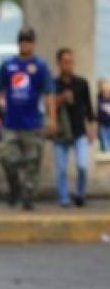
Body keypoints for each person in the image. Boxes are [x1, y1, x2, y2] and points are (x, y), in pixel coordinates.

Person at [0, 27, 56, 211]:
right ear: (18, 43)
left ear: (33, 44)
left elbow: (49, 95)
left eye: (29, 41)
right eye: (23, 41)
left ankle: (28, 195)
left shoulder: (40, 67)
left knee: (33, 162)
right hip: (11, 123)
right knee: (7, 159)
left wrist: (52, 118)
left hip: (33, 123)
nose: (26, 44)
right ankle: (14, 187)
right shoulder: (8, 65)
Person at [51, 48, 96, 208]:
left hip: (79, 132)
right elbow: (47, 106)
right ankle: (63, 197)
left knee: (82, 165)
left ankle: (80, 194)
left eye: (71, 61)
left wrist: (91, 128)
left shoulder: (82, 83)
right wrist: (62, 98)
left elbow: (89, 109)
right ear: (59, 63)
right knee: (61, 168)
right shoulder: (53, 84)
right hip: (61, 133)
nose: (68, 65)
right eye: (65, 61)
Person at [98, 80, 110, 152]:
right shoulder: (99, 99)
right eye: (105, 91)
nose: (106, 93)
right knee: (106, 147)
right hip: (103, 126)